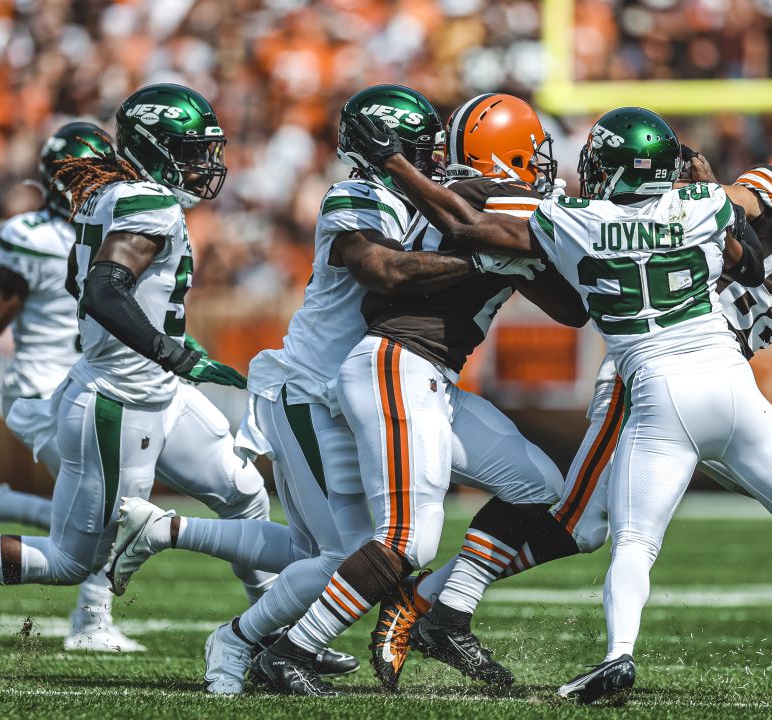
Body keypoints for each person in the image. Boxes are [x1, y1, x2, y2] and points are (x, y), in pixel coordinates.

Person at [342, 106, 772, 704]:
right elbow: (725, 200)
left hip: (720, 380)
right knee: (582, 524)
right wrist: (703, 199)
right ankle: (430, 598)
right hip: (646, 373)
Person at [105, 85, 543, 695]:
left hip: (378, 388)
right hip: (313, 391)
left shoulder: (424, 199)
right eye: (419, 148)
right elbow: (383, 271)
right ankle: (237, 642)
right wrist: (487, 263)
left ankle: (164, 532)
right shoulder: (356, 194)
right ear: (381, 148)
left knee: (329, 549)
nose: (435, 160)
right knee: (349, 554)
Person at [246, 92, 587, 697]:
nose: (543, 163)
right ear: (502, 156)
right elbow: (409, 259)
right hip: (397, 365)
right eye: (531, 152)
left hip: (430, 377)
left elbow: (570, 310)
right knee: (409, 538)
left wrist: (536, 253)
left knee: (542, 488)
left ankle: (445, 615)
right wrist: (506, 251)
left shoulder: (484, 203)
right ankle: (290, 650)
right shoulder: (479, 202)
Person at [0, 84, 277, 613]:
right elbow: (103, 288)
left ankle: (272, 628)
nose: (203, 163)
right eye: (191, 150)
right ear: (153, 147)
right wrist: (169, 350)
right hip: (119, 399)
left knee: (244, 494)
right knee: (70, 562)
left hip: (156, 390)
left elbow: (74, 282)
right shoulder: (147, 201)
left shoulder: (110, 195)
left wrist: (165, 341)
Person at [0, 122, 143, 651]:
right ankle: (90, 620)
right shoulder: (32, 239)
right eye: (77, 175)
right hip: (41, 392)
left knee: (108, 508)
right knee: (103, 507)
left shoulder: (123, 226)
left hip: (93, 386)